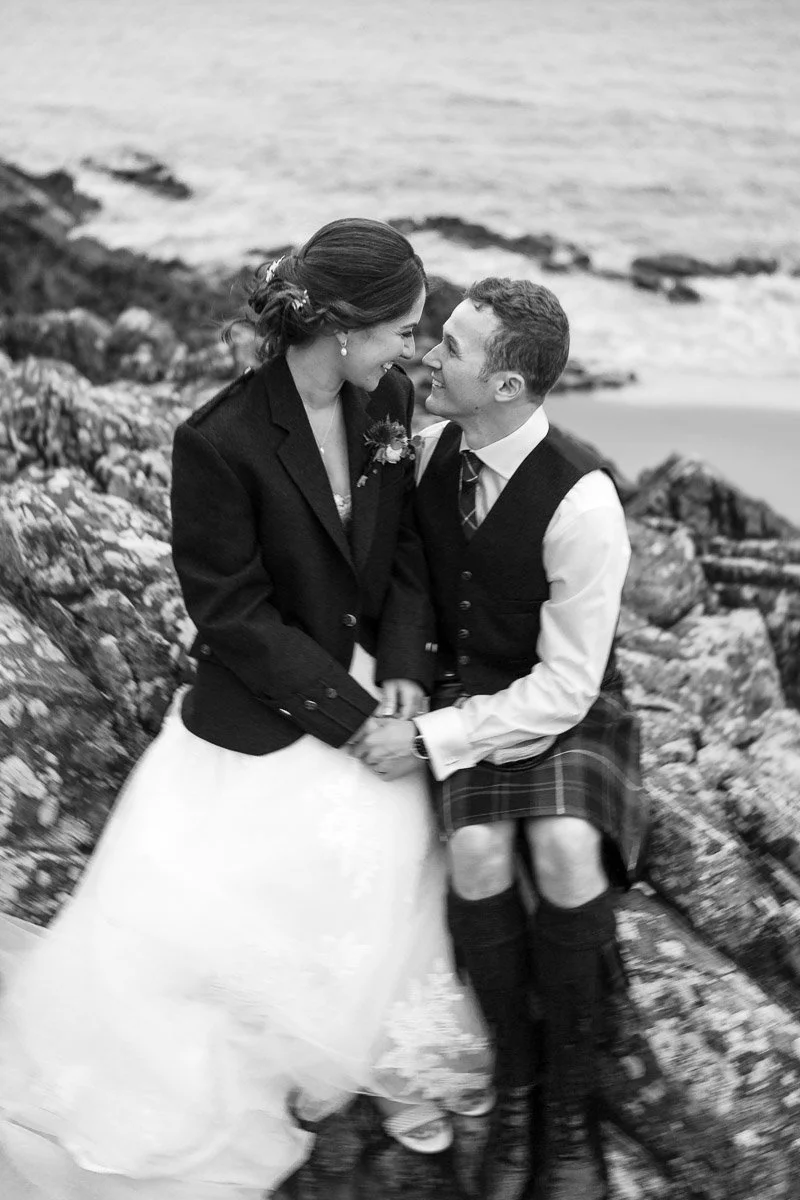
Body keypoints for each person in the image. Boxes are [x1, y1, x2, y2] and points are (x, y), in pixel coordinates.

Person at [0, 219, 492, 1200]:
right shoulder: (217, 441)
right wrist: (358, 721)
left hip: (366, 678)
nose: (414, 351)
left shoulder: (386, 400)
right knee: (311, 863)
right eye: (401, 329)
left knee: (407, 845)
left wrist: (400, 670)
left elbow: (401, 557)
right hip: (266, 703)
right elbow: (231, 616)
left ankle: (366, 1056)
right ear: (342, 329)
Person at [352, 277, 647, 1200]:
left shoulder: (584, 503)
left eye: (451, 349)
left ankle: (569, 1107)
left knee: (563, 850)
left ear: (510, 386)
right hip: (465, 681)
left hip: (565, 700)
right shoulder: (430, 443)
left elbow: (567, 682)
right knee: (478, 853)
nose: (428, 357)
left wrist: (433, 739)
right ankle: (517, 1090)